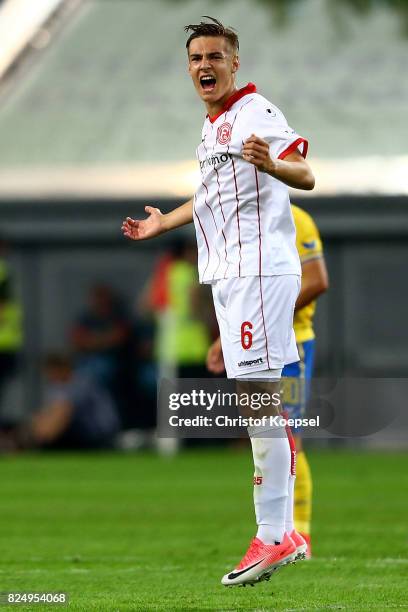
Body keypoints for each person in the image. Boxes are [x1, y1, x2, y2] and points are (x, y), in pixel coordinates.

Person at [122, 16, 315, 586]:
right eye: (196, 58)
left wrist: (272, 164)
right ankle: (283, 534)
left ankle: (274, 536)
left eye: (215, 56)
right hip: (231, 277)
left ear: (235, 63)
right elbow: (207, 198)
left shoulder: (256, 112)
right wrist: (164, 223)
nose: (204, 65)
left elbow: (304, 171)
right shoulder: (213, 130)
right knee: (259, 405)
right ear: (189, 68)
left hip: (257, 272)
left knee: (259, 408)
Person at [207, 203, 329, 558]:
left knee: (290, 436)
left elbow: (318, 280)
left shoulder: (297, 219)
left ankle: (299, 535)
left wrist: (269, 317)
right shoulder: (242, 218)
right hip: (256, 343)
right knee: (269, 431)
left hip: (292, 345)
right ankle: (284, 534)